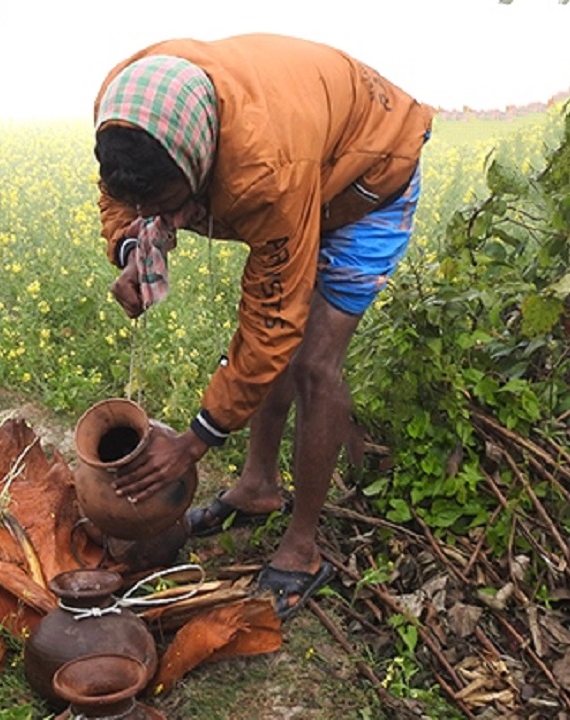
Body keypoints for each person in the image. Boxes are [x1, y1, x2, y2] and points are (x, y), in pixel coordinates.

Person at [93, 33, 432, 619]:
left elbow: (274, 320)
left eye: (175, 205)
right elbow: (118, 197)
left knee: (310, 361)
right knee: (268, 339)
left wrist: (196, 441)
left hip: (369, 177)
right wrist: (132, 247)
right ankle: (257, 487)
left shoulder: (263, 173)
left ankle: (303, 549)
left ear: (202, 159)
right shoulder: (127, 110)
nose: (169, 222)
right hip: (309, 156)